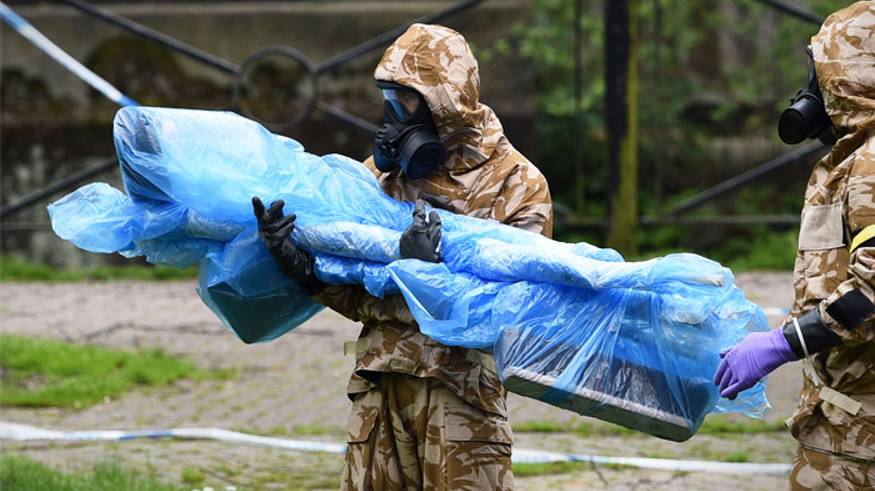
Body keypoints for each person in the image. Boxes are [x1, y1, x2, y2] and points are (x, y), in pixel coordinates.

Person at [253, 23, 552, 490]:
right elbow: (360, 294)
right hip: (379, 389)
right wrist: (305, 270)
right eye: (387, 97)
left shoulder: (516, 184)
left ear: (445, 103)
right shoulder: (383, 177)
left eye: (406, 100)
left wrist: (431, 275)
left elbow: (517, 313)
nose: (393, 114)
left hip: (460, 401)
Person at [713, 2, 875, 489]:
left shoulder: (871, 164)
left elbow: (871, 290)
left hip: (861, 445)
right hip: (847, 425)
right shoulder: (854, 159)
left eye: (819, 69)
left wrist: (783, 343)